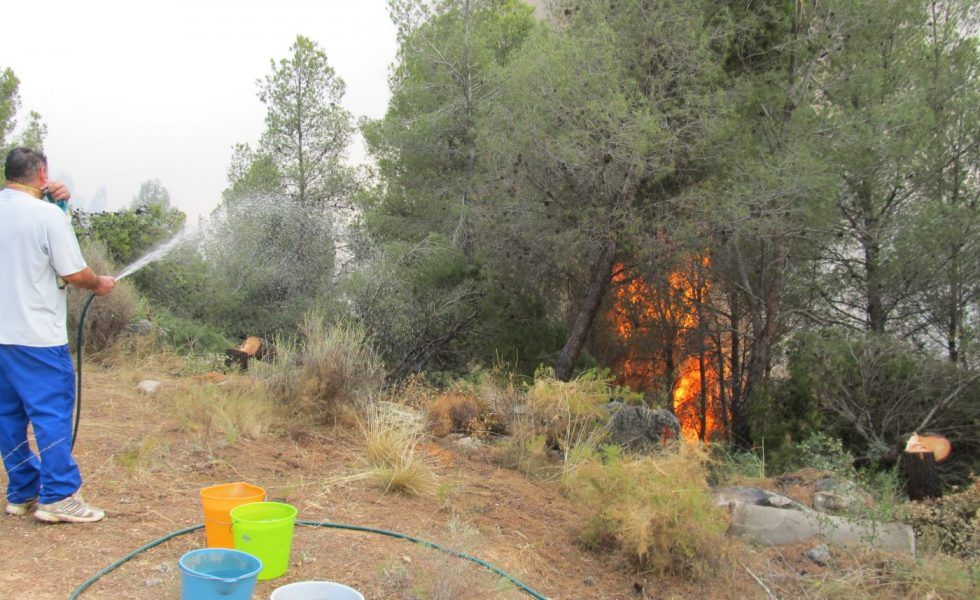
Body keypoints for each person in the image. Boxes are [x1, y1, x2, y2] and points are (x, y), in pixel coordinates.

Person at [0, 147, 115, 523]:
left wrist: (60, 208)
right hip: (36, 338)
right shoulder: (46, 215)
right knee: (51, 415)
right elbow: (73, 272)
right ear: (42, 172)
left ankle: (21, 493)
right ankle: (59, 496)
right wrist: (99, 284)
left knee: (8, 417)